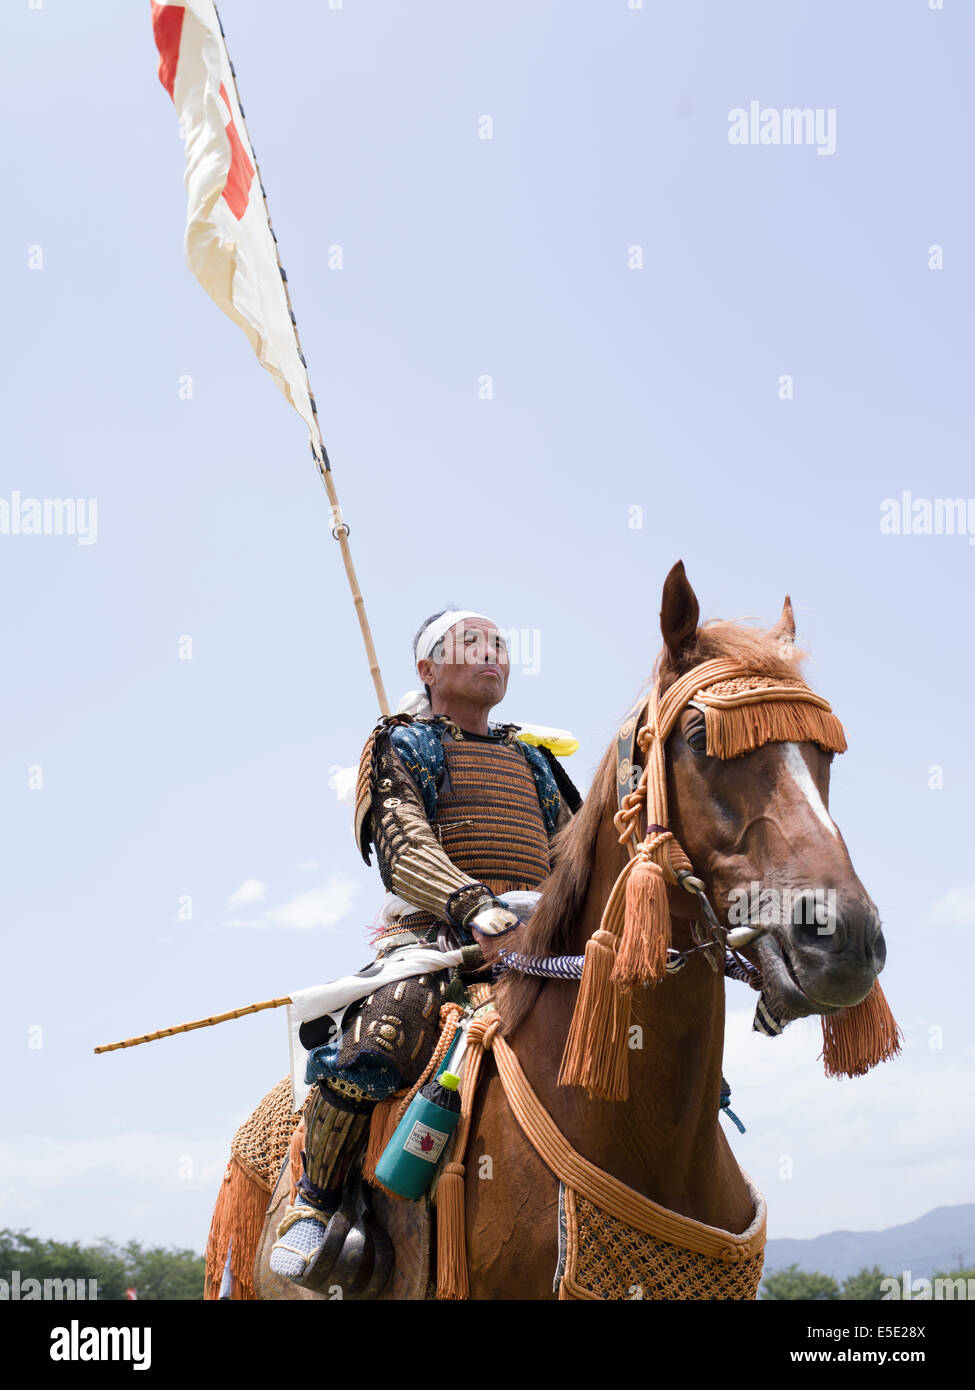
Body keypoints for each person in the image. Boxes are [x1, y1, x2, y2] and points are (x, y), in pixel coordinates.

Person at [269, 608, 580, 1288]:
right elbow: (404, 843)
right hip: (438, 937)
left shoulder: (531, 759)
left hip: (539, 940)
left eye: (499, 643)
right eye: (471, 643)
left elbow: (573, 854)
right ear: (427, 669)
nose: (491, 653)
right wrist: (473, 906)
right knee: (388, 1025)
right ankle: (317, 1201)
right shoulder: (404, 745)